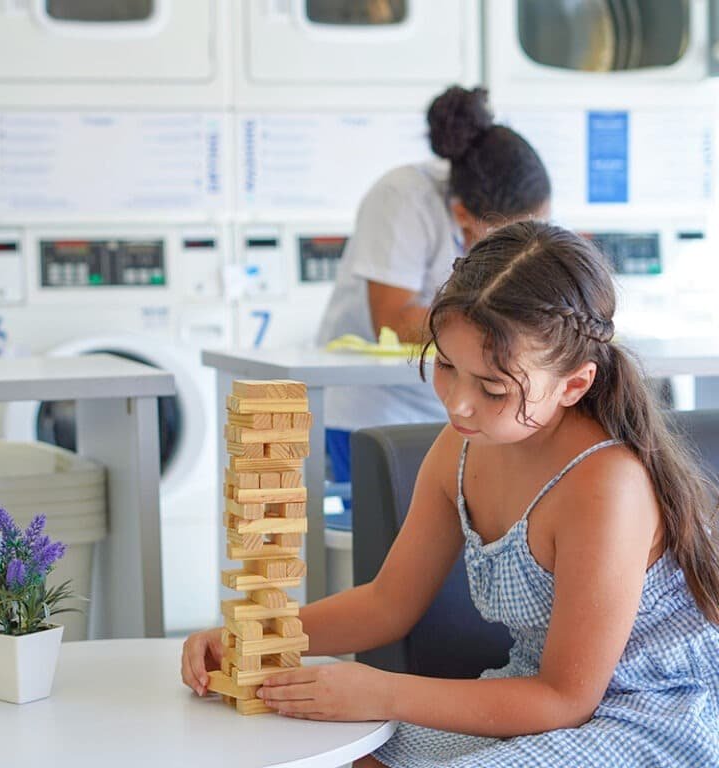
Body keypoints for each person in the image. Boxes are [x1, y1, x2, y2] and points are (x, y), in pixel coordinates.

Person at [182, 221, 719, 766]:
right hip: (533, 696)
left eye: (492, 388)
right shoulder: (459, 449)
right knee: (350, 759)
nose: (458, 404)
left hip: (651, 715)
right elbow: (387, 603)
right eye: (445, 366)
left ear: (573, 385)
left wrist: (383, 691)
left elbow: (566, 698)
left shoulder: (606, 484)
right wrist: (253, 635)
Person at [316, 85, 551, 485]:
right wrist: (499, 326)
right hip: (378, 412)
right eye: (506, 233)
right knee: (387, 536)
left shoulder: (498, 202)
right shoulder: (402, 197)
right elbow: (391, 321)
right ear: (461, 213)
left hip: (459, 410)